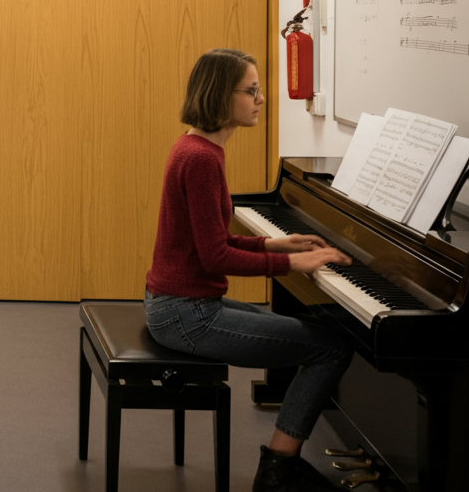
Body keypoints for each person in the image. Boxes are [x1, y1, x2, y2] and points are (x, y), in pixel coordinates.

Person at [144, 48, 353, 492]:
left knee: (315, 337)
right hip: (187, 316)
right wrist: (292, 262)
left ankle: (282, 463)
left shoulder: (197, 147)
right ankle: (278, 469)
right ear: (222, 95)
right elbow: (216, 258)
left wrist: (275, 242)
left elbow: (212, 242)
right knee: (330, 349)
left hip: (181, 306)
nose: (261, 99)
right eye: (251, 90)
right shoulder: (201, 159)